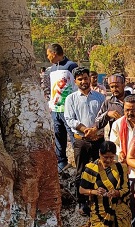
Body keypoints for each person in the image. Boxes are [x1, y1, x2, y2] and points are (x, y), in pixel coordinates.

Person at [64, 67, 106, 215]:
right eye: (80, 79)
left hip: (98, 140)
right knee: (81, 171)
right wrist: (85, 130)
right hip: (80, 141)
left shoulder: (100, 98)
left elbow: (104, 117)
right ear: (75, 81)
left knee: (99, 171)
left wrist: (94, 130)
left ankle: (98, 201)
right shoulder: (71, 99)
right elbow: (69, 119)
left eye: (85, 78)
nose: (83, 81)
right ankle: (82, 202)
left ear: (90, 78)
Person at [109, 94, 135, 227]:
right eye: (126, 109)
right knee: (129, 200)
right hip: (126, 170)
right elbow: (113, 144)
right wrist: (119, 153)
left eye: (133, 110)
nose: (129, 113)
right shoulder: (118, 124)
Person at [44, 43, 78, 172]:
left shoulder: (71, 66)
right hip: (56, 109)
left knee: (73, 135)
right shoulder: (52, 69)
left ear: (54, 53)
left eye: (48, 54)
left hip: (68, 108)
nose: (47, 57)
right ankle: (62, 162)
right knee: (59, 136)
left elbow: (76, 85)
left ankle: (79, 160)